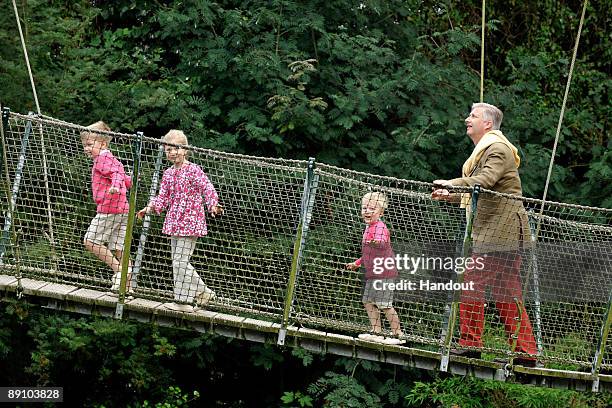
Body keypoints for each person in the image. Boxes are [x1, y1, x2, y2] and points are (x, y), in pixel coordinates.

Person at [431, 102, 537, 366]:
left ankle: (470, 343)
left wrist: (451, 183)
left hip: (501, 233)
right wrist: (449, 195)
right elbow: (480, 195)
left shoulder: (498, 149)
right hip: (503, 232)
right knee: (506, 293)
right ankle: (527, 353)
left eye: (473, 116)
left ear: (487, 124)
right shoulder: (486, 150)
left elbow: (485, 181)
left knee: (471, 282)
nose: (467, 119)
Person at [138, 130, 223, 313]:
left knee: (180, 262)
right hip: (175, 222)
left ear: (185, 150)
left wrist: (213, 205)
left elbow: (207, 188)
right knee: (177, 262)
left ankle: (204, 291)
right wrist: (150, 208)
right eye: (168, 149)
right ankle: (181, 301)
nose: (172, 152)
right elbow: (163, 197)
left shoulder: (193, 170)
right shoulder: (168, 173)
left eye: (176, 148)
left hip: (191, 222)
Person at [346, 192, 404, 345]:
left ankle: (398, 334)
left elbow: (383, 243)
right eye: (364, 208)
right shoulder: (368, 227)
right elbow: (367, 253)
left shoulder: (379, 227)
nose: (367, 211)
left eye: (372, 208)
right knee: (368, 301)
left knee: (384, 305)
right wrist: (357, 263)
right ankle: (376, 332)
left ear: (381, 212)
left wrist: (375, 242)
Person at [81, 121, 133, 292]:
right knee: (119, 247)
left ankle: (119, 272)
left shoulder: (103, 159)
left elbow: (116, 175)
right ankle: (127, 288)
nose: (86, 149)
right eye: (84, 145)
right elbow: (124, 175)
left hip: (109, 208)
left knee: (90, 241)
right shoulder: (111, 158)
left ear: (102, 143)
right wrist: (126, 182)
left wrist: (116, 186)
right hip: (123, 209)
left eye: (89, 144)